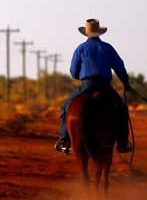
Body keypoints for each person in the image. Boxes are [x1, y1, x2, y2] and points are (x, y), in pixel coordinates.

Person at [56, 18, 134, 154]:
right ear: (99, 33)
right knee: (122, 108)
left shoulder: (80, 48)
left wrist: (80, 74)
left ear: (86, 33)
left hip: (86, 85)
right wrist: (126, 83)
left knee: (64, 108)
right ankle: (122, 143)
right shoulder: (108, 48)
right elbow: (119, 67)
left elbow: (74, 72)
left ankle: (64, 139)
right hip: (104, 86)